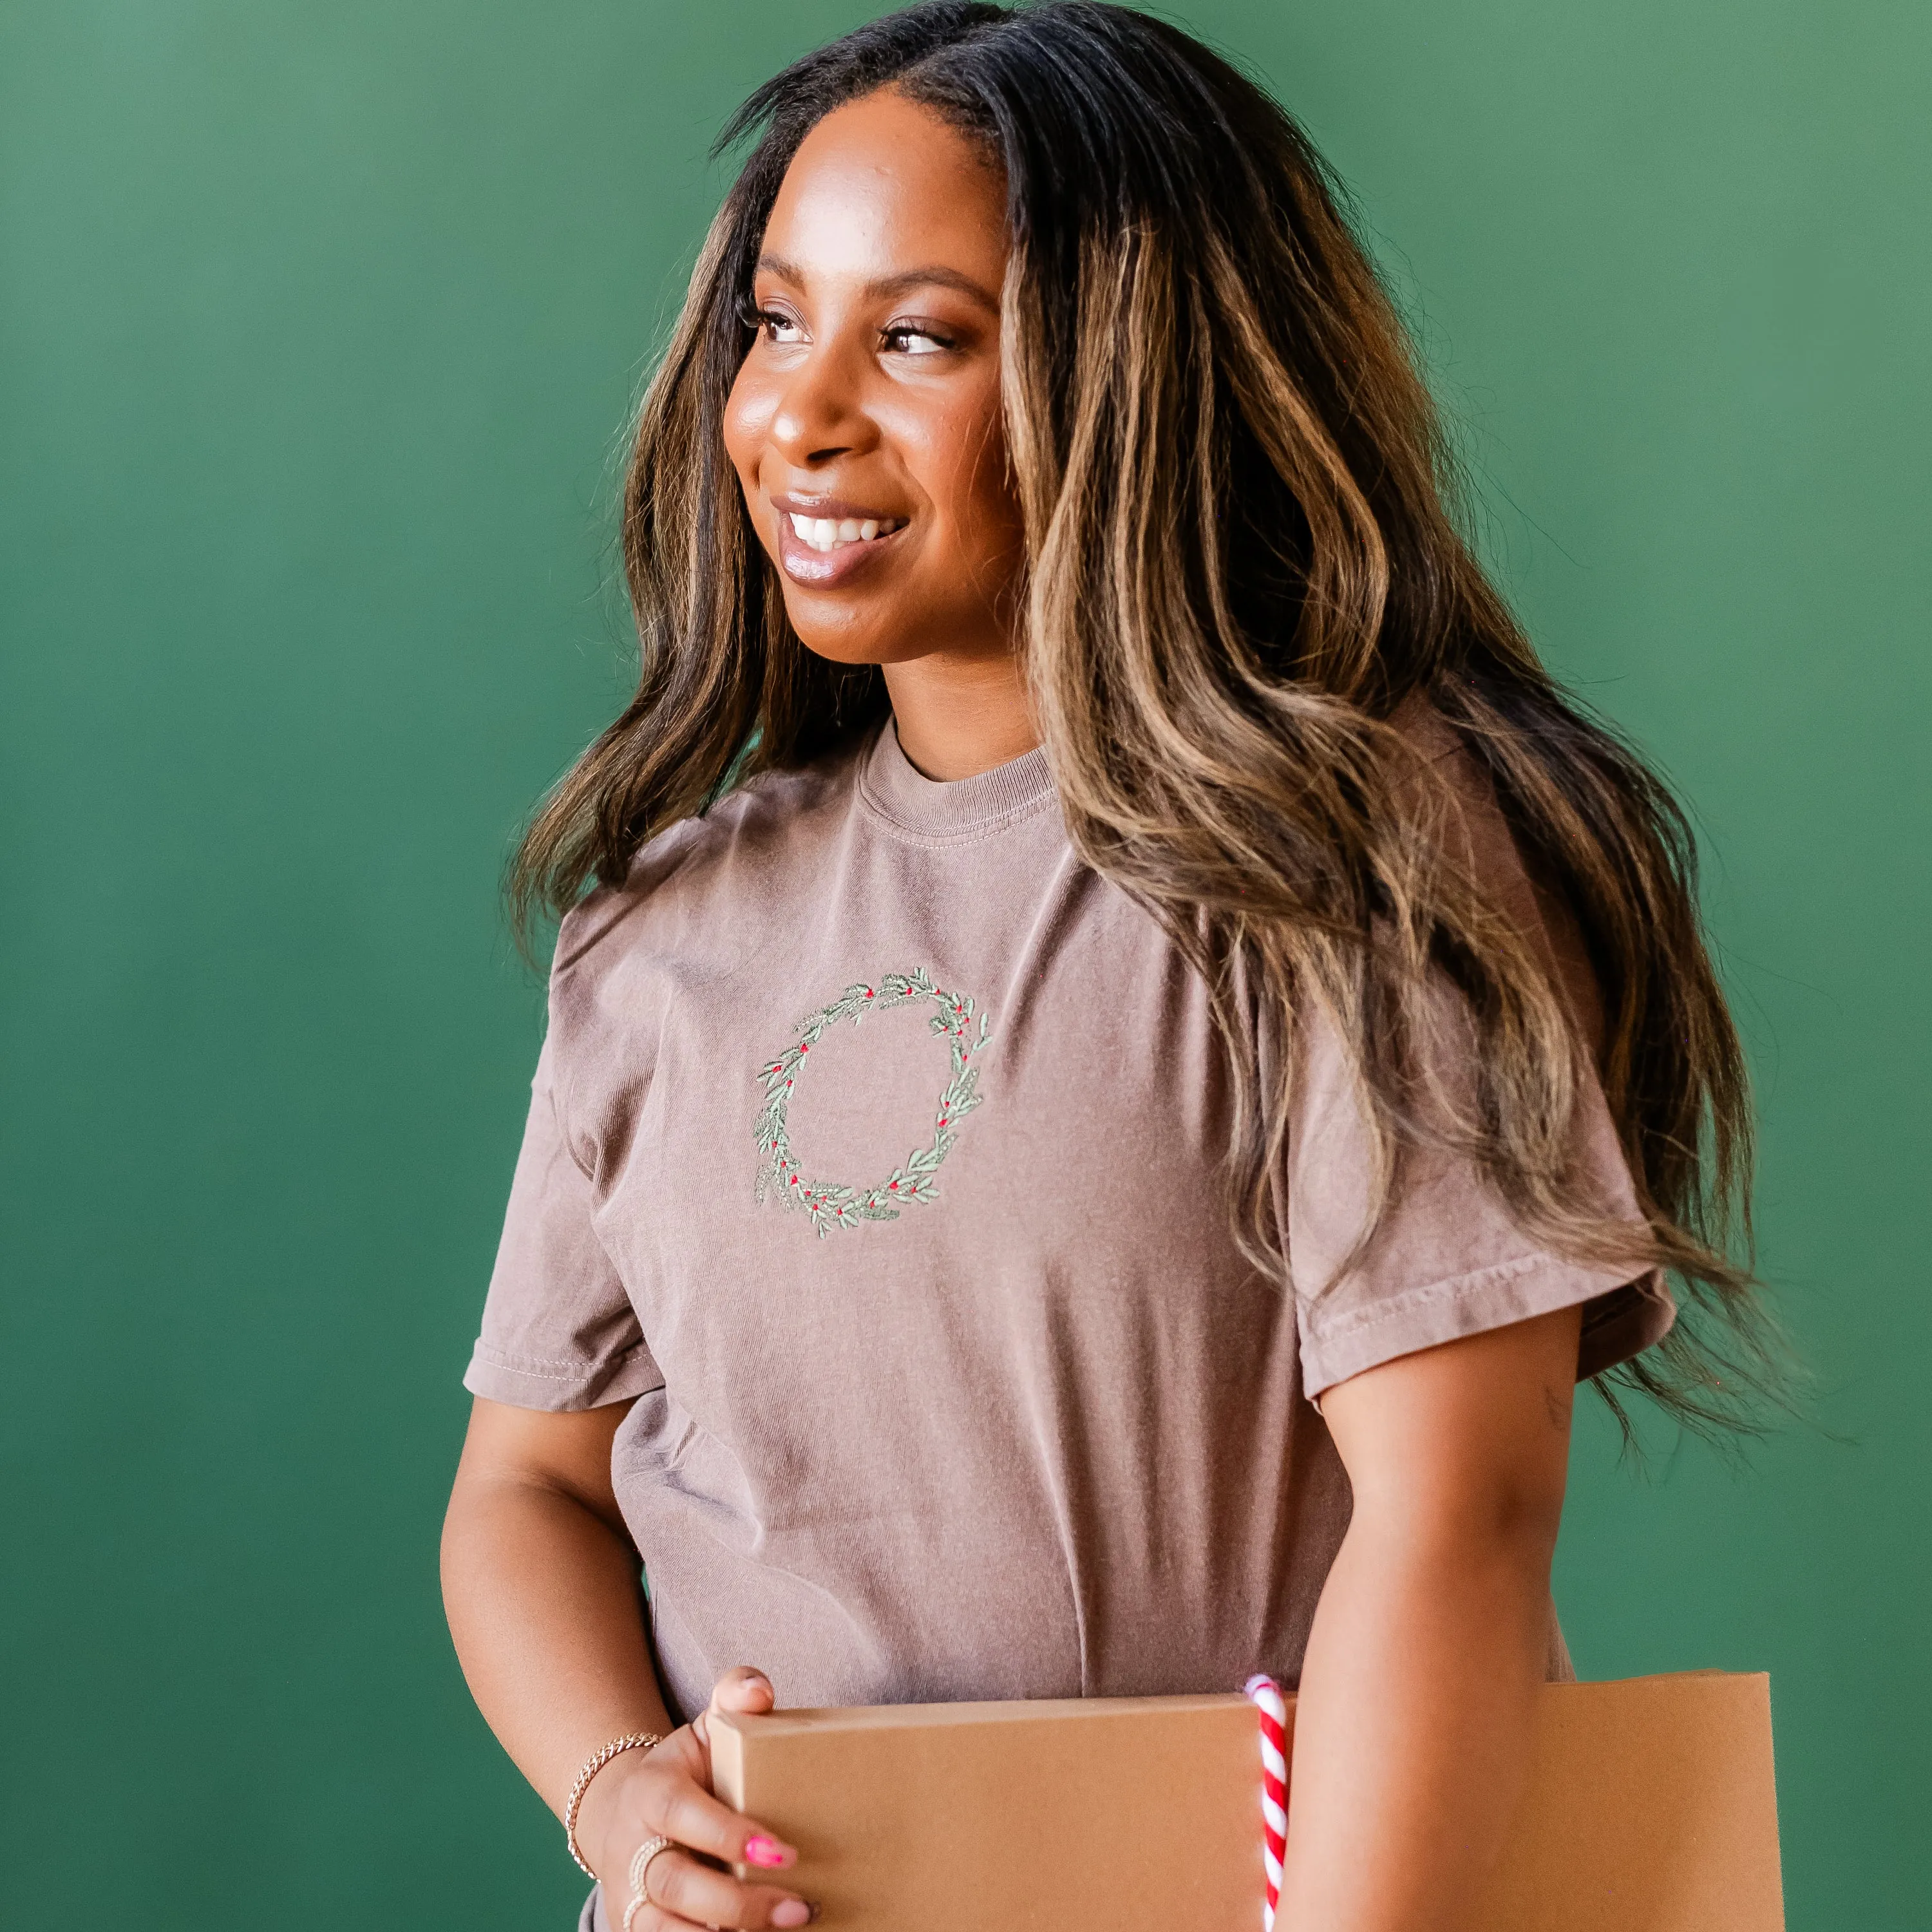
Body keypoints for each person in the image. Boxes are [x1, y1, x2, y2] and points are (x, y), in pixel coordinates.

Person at [440, 5, 1771, 1928]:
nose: (799, 412)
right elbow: (525, 1497)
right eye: (773, 321)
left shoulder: (1343, 861)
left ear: (1132, 375)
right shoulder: (667, 927)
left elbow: (1458, 1516)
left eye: (918, 338)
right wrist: (608, 1796)